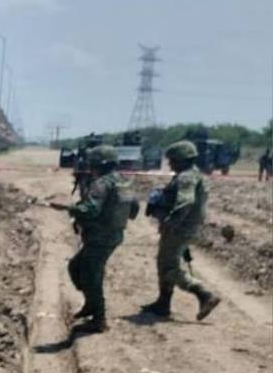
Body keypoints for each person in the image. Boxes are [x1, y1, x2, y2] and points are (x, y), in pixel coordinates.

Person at [51, 145, 134, 333]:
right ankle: (91, 305)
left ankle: (99, 319)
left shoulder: (101, 183)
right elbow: (134, 209)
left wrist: (69, 208)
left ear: (98, 164)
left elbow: (91, 210)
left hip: (100, 237)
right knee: (76, 267)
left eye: (92, 164)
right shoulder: (123, 182)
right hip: (113, 235)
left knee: (91, 276)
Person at [141, 140, 222, 320]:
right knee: (164, 262)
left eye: (173, 160)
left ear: (182, 160)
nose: (170, 164)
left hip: (179, 228)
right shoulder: (191, 175)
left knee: (170, 266)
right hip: (184, 227)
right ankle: (163, 303)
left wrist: (170, 222)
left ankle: (205, 294)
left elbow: (186, 201)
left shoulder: (186, 177)